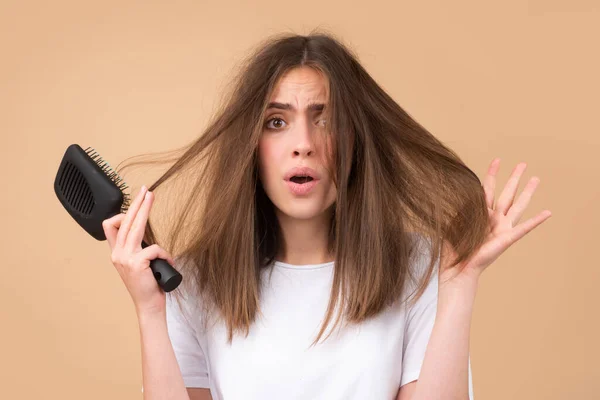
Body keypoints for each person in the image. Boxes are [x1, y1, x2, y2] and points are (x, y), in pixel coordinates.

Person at [102, 30, 552, 400]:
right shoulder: (195, 281)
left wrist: (460, 284)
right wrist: (149, 312)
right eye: (276, 122)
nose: (304, 143)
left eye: (325, 118)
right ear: (250, 146)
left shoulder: (420, 266)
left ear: (354, 139)